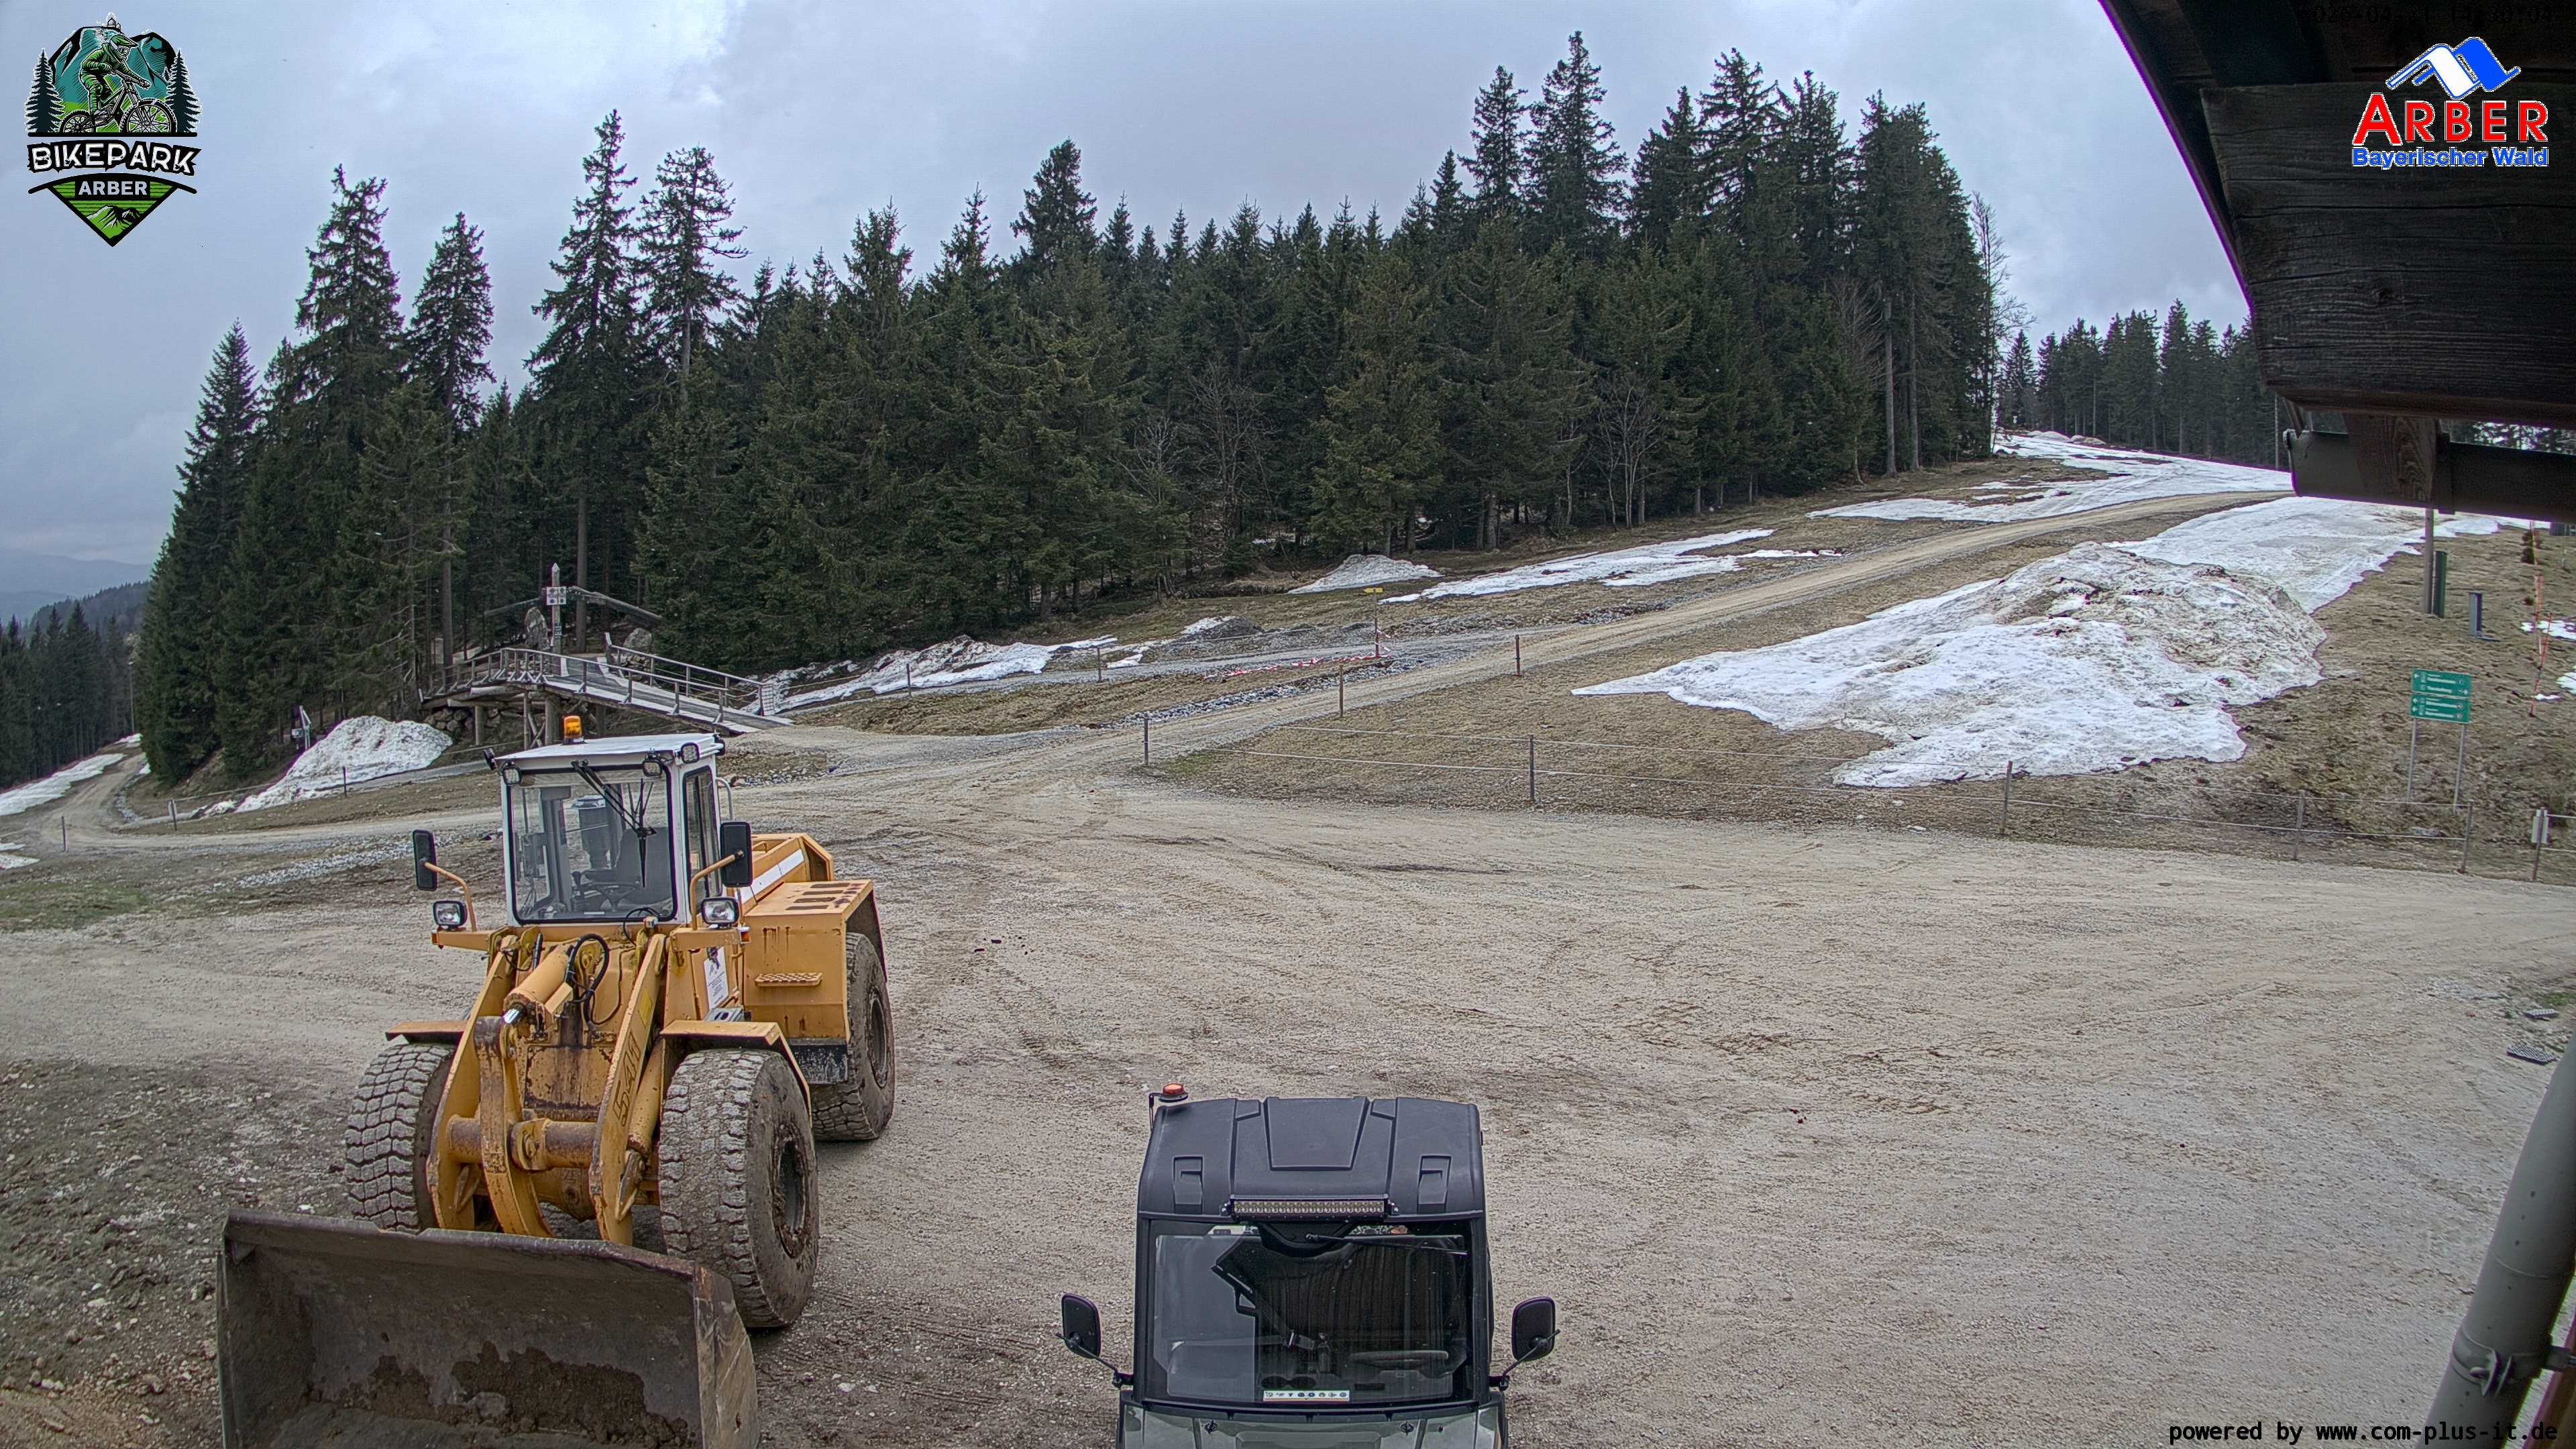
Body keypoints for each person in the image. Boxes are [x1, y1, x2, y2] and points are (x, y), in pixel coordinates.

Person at [76, 16, 147, 127]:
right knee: (97, 87)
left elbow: (128, 72)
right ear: (114, 47)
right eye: (122, 50)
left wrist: (141, 81)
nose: (124, 54)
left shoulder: (119, 62)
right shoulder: (102, 53)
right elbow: (85, 63)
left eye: (127, 51)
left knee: (114, 105)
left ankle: (123, 129)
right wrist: (102, 65)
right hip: (87, 74)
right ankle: (94, 112)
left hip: (99, 77)